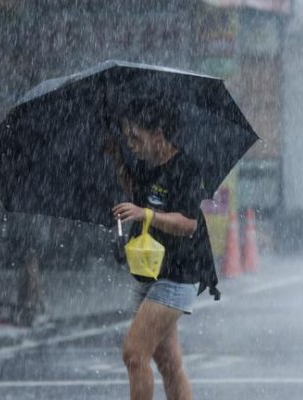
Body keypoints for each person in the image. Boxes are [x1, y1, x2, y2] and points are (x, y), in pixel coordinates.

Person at [104, 98, 219, 400]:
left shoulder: (186, 168)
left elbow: (188, 223)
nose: (132, 144)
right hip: (152, 274)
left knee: (134, 352)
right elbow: (137, 192)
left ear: (158, 134)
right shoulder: (148, 167)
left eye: (136, 137)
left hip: (178, 275)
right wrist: (116, 158)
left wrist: (147, 215)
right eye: (127, 138)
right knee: (168, 364)